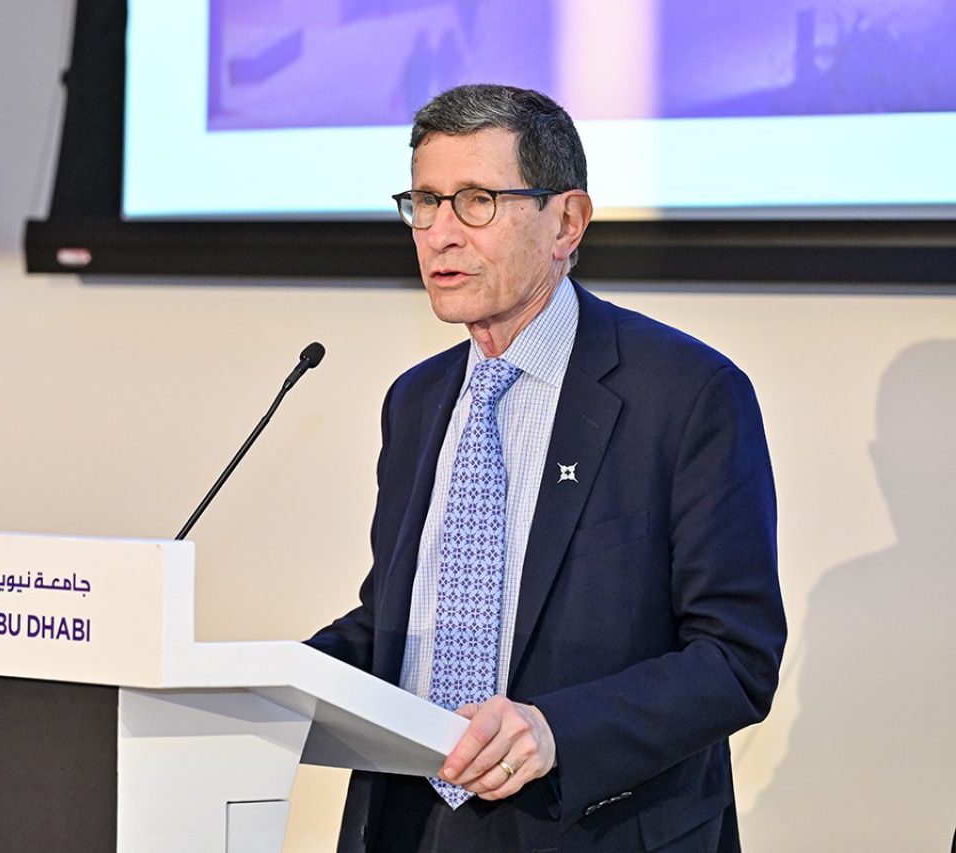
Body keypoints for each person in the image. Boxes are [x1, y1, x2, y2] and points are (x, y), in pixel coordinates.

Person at [307, 84, 786, 852]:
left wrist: (555, 728)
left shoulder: (687, 395)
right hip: (412, 824)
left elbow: (736, 658)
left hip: (593, 824)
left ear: (566, 222)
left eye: (476, 201)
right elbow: (399, 623)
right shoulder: (415, 400)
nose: (439, 234)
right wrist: (266, 681)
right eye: (425, 202)